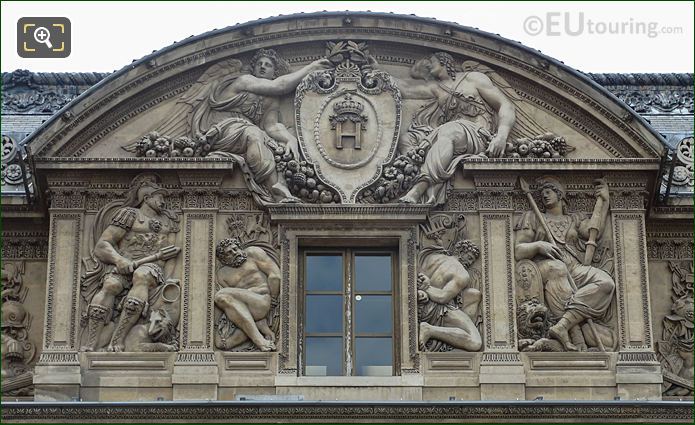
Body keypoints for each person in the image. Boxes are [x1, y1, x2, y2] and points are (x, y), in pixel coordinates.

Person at [201, 49, 332, 203]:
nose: (262, 67)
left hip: (244, 131)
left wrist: (291, 140)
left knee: (275, 144)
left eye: (268, 65)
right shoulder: (245, 80)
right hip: (222, 128)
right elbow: (280, 86)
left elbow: (272, 126)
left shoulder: (272, 99)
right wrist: (310, 68)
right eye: (259, 64)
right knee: (254, 135)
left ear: (274, 72)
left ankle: (281, 185)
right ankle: (275, 190)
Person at [391, 52, 516, 205]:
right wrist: (373, 71)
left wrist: (501, 136)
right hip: (452, 133)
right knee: (406, 139)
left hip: (477, 134)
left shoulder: (473, 78)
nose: (429, 65)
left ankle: (418, 189)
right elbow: (404, 88)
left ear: (444, 62)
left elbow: (505, 105)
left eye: (433, 61)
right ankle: (403, 178)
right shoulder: (437, 88)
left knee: (449, 130)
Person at [514, 177, 616, 351]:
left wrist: (604, 201)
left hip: (575, 268)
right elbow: (519, 250)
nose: (545, 195)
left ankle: (563, 325)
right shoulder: (532, 217)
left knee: (606, 283)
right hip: (545, 268)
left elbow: (593, 231)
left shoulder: (575, 219)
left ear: (560, 194)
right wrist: (539, 246)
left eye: (549, 191)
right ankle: (575, 334)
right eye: (542, 193)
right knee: (558, 269)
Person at [81, 176, 180, 352]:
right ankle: (91, 344)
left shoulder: (169, 221)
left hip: (151, 268)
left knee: (142, 276)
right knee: (111, 285)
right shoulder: (129, 214)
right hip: (124, 263)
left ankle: (118, 340)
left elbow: (172, 254)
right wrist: (119, 260)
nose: (163, 202)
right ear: (146, 198)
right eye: (159, 197)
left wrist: (170, 279)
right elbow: (102, 246)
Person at [214, 237, 280, 352]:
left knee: (221, 296)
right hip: (249, 310)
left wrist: (274, 298)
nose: (234, 253)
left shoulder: (253, 253)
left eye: (235, 249)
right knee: (221, 344)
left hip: (262, 299)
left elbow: (275, 276)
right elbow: (233, 305)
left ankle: (259, 340)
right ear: (224, 259)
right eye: (229, 253)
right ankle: (258, 332)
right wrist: (264, 327)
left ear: (240, 248)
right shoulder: (222, 274)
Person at [417, 239, 482, 352]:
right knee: (475, 342)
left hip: (419, 301)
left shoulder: (432, 256)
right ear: (461, 252)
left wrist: (422, 289)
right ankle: (429, 330)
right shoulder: (462, 274)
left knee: (474, 294)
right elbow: (442, 297)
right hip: (436, 310)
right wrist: (426, 288)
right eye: (470, 258)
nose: (470, 262)